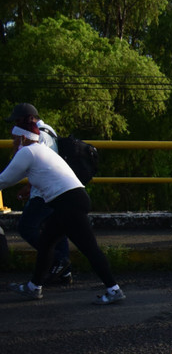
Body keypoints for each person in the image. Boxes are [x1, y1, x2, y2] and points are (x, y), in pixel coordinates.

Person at [1, 106, 125, 304]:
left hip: (69, 203)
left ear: (22, 138)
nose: (12, 144)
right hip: (70, 201)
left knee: (89, 248)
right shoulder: (40, 150)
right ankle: (34, 287)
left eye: (14, 139)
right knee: (46, 243)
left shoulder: (27, 152)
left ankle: (113, 289)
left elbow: (4, 180)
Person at [12, 108, 72, 283]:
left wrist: (30, 187)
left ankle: (58, 259)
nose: (16, 125)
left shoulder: (39, 136)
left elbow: (38, 163)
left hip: (43, 192)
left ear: (28, 119)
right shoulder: (49, 131)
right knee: (55, 230)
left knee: (26, 228)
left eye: (17, 121)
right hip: (53, 190)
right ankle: (64, 272)